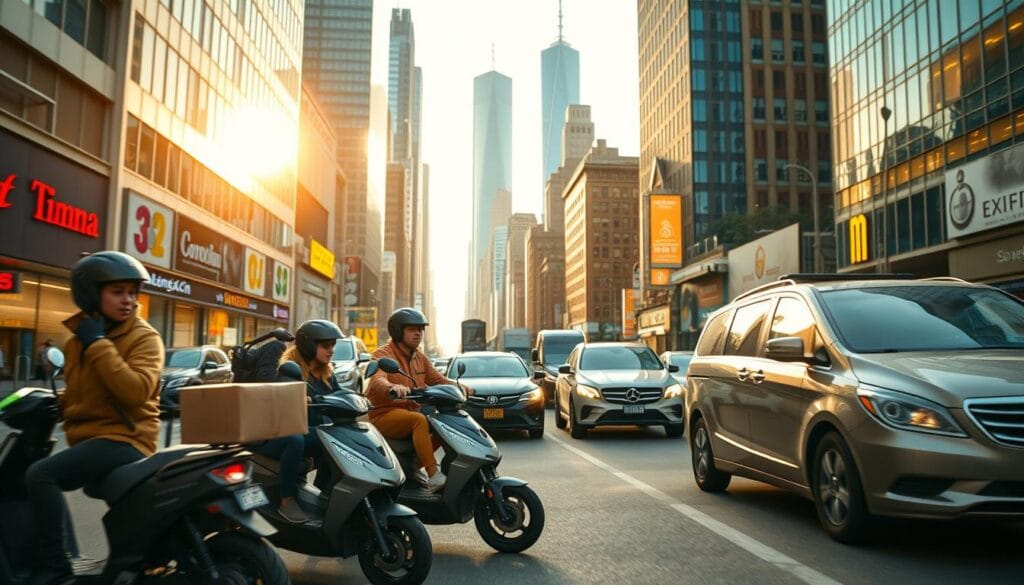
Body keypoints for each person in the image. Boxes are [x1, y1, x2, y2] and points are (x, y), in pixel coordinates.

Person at [24, 251, 163, 585]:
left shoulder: (144, 337)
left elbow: (134, 391)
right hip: (95, 439)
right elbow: (83, 394)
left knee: (40, 476)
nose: (128, 300)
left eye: (132, 292)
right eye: (118, 292)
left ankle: (56, 570)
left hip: (127, 440)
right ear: (91, 294)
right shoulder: (76, 343)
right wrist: (55, 403)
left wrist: (99, 344)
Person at [366, 308, 474, 493]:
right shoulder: (383, 354)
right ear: (399, 331)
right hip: (383, 414)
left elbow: (438, 380)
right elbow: (378, 379)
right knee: (419, 420)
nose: (418, 333)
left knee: (444, 424)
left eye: (420, 329)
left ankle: (414, 466)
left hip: (410, 412)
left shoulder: (419, 357)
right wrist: (392, 387)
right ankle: (433, 474)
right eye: (412, 329)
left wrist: (460, 386)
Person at [260, 319, 347, 523]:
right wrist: (300, 397)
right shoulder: (288, 369)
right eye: (326, 345)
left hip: (304, 429)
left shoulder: (326, 373)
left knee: (336, 436)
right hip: (277, 432)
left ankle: (324, 487)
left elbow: (339, 393)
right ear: (309, 346)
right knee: (295, 440)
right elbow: (285, 392)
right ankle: (287, 501)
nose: (331, 349)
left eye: (333, 345)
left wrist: (357, 398)